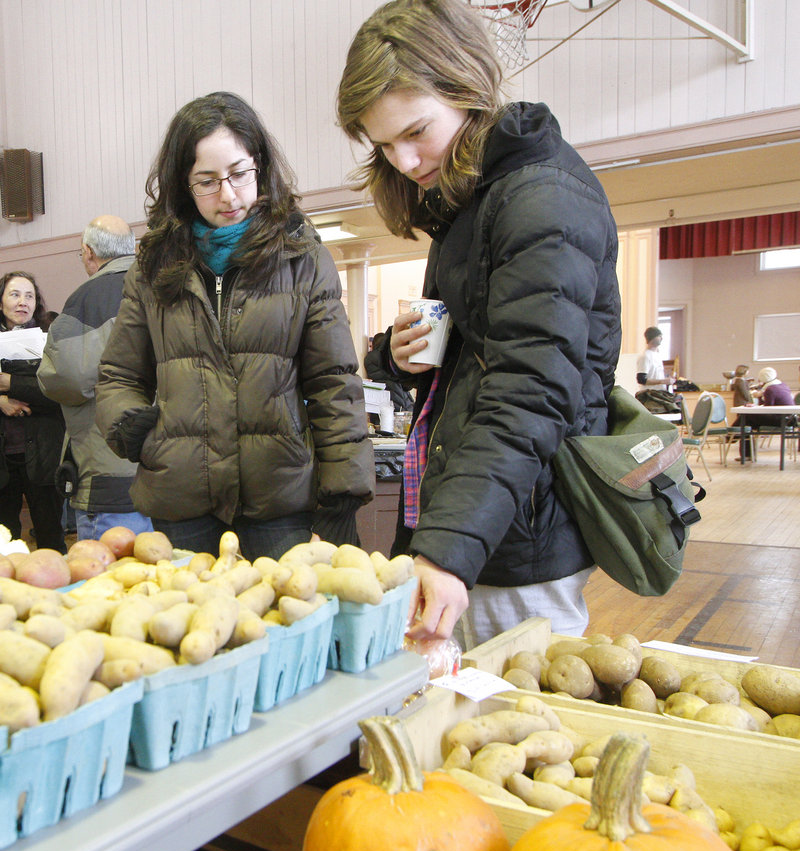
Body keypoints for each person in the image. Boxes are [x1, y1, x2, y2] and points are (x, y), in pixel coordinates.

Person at [336, 0, 621, 646]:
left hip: (511, 542)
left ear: (465, 87)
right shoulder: (470, 201)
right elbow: (467, 364)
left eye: (416, 132)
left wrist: (448, 549)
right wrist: (398, 360)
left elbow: (529, 389)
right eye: (385, 145)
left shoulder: (541, 199)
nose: (405, 161)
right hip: (473, 530)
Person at [95, 92, 374, 561]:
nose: (227, 195)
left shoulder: (303, 258)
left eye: (239, 174)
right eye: (206, 181)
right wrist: (134, 429)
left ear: (260, 166)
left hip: (280, 503)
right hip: (181, 502)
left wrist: (343, 495)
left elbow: (334, 384)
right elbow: (118, 375)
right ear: (183, 185)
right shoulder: (152, 266)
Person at [38, 215, 154, 541]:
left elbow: (67, 378)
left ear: (89, 253)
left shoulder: (88, 298)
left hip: (112, 470)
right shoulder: (163, 284)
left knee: (110, 580)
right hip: (169, 466)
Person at [0, 271, 66, 551]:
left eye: (30, 296)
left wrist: (9, 383)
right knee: (5, 542)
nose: (22, 302)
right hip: (3, 458)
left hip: (43, 453)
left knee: (51, 539)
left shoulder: (51, 339)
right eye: (14, 294)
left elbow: (58, 391)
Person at [364, 331, 414, 411]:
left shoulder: (369, 358)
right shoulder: (392, 357)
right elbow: (407, 385)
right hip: (402, 401)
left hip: (381, 402)